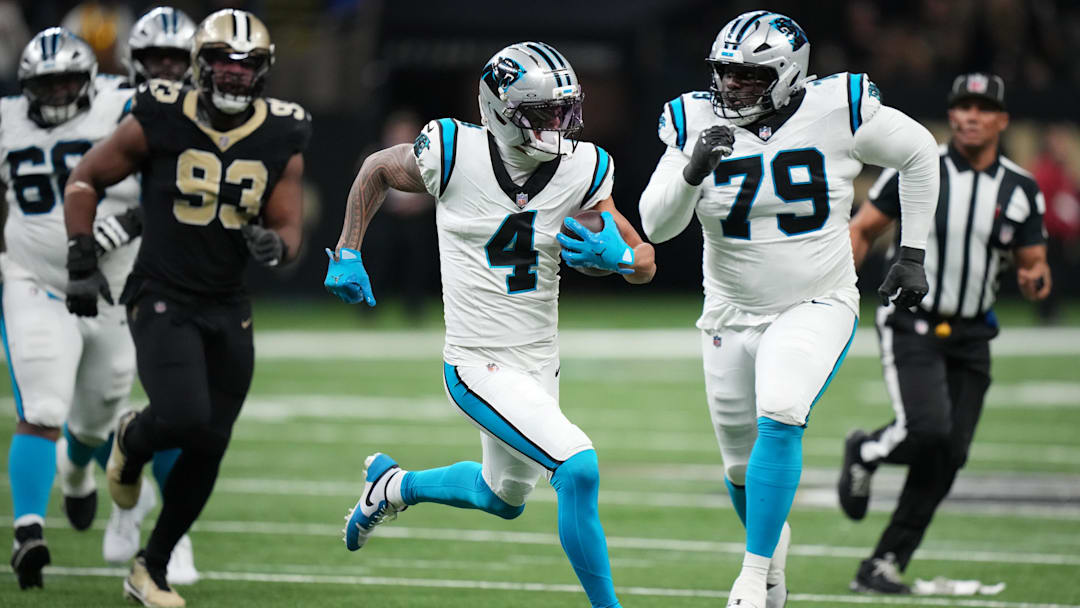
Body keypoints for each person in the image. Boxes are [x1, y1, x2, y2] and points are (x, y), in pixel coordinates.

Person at [325, 42, 656, 608]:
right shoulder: (453, 151)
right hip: (477, 361)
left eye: (563, 110)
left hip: (538, 359)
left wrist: (621, 261)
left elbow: (646, 260)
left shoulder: (582, 168)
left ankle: (392, 486)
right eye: (543, 112)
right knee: (577, 468)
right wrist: (348, 248)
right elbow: (377, 167)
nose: (558, 123)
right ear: (502, 111)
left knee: (502, 496)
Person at [638, 11, 939, 608]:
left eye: (749, 77)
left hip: (816, 299)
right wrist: (693, 169)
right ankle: (772, 563)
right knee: (740, 468)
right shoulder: (693, 118)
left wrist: (911, 252)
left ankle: (750, 576)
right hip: (728, 313)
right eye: (724, 74)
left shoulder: (837, 108)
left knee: (781, 408)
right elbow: (656, 224)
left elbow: (920, 152)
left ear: (788, 75)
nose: (731, 88)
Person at [62, 9, 310, 606]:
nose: (234, 74)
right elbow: (84, 179)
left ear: (264, 72)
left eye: (247, 64)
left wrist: (276, 245)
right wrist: (79, 255)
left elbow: (288, 228)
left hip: (228, 304)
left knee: (210, 442)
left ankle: (152, 567)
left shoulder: (283, 131)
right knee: (181, 415)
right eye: (223, 61)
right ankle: (131, 438)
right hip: (162, 292)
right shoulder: (161, 114)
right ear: (202, 65)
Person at [839, 72, 1051, 594]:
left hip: (974, 332)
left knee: (949, 455)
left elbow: (1033, 260)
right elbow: (863, 227)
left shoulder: (1020, 188)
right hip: (913, 320)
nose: (971, 116)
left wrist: (1035, 277)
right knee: (928, 430)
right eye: (963, 106)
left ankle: (883, 563)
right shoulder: (918, 166)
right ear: (951, 114)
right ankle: (865, 451)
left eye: (983, 108)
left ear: (1002, 119)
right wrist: (835, 295)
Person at [0, 26, 141, 591]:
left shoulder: (121, 105)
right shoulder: (6, 121)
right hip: (37, 280)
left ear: (88, 81)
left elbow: (167, 177)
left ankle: (78, 473)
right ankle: (28, 531)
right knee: (44, 404)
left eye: (66, 81)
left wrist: (131, 223)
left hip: (114, 287)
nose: (57, 93)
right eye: (46, 83)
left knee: (100, 413)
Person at [80, 5, 202, 586]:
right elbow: (75, 171)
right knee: (94, 405)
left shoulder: (211, 112)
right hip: (96, 264)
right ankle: (109, 491)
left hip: (167, 265)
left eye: (178, 60)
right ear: (135, 59)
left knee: (178, 404)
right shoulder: (101, 101)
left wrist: (129, 222)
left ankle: (170, 538)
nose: (167, 70)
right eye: (157, 58)